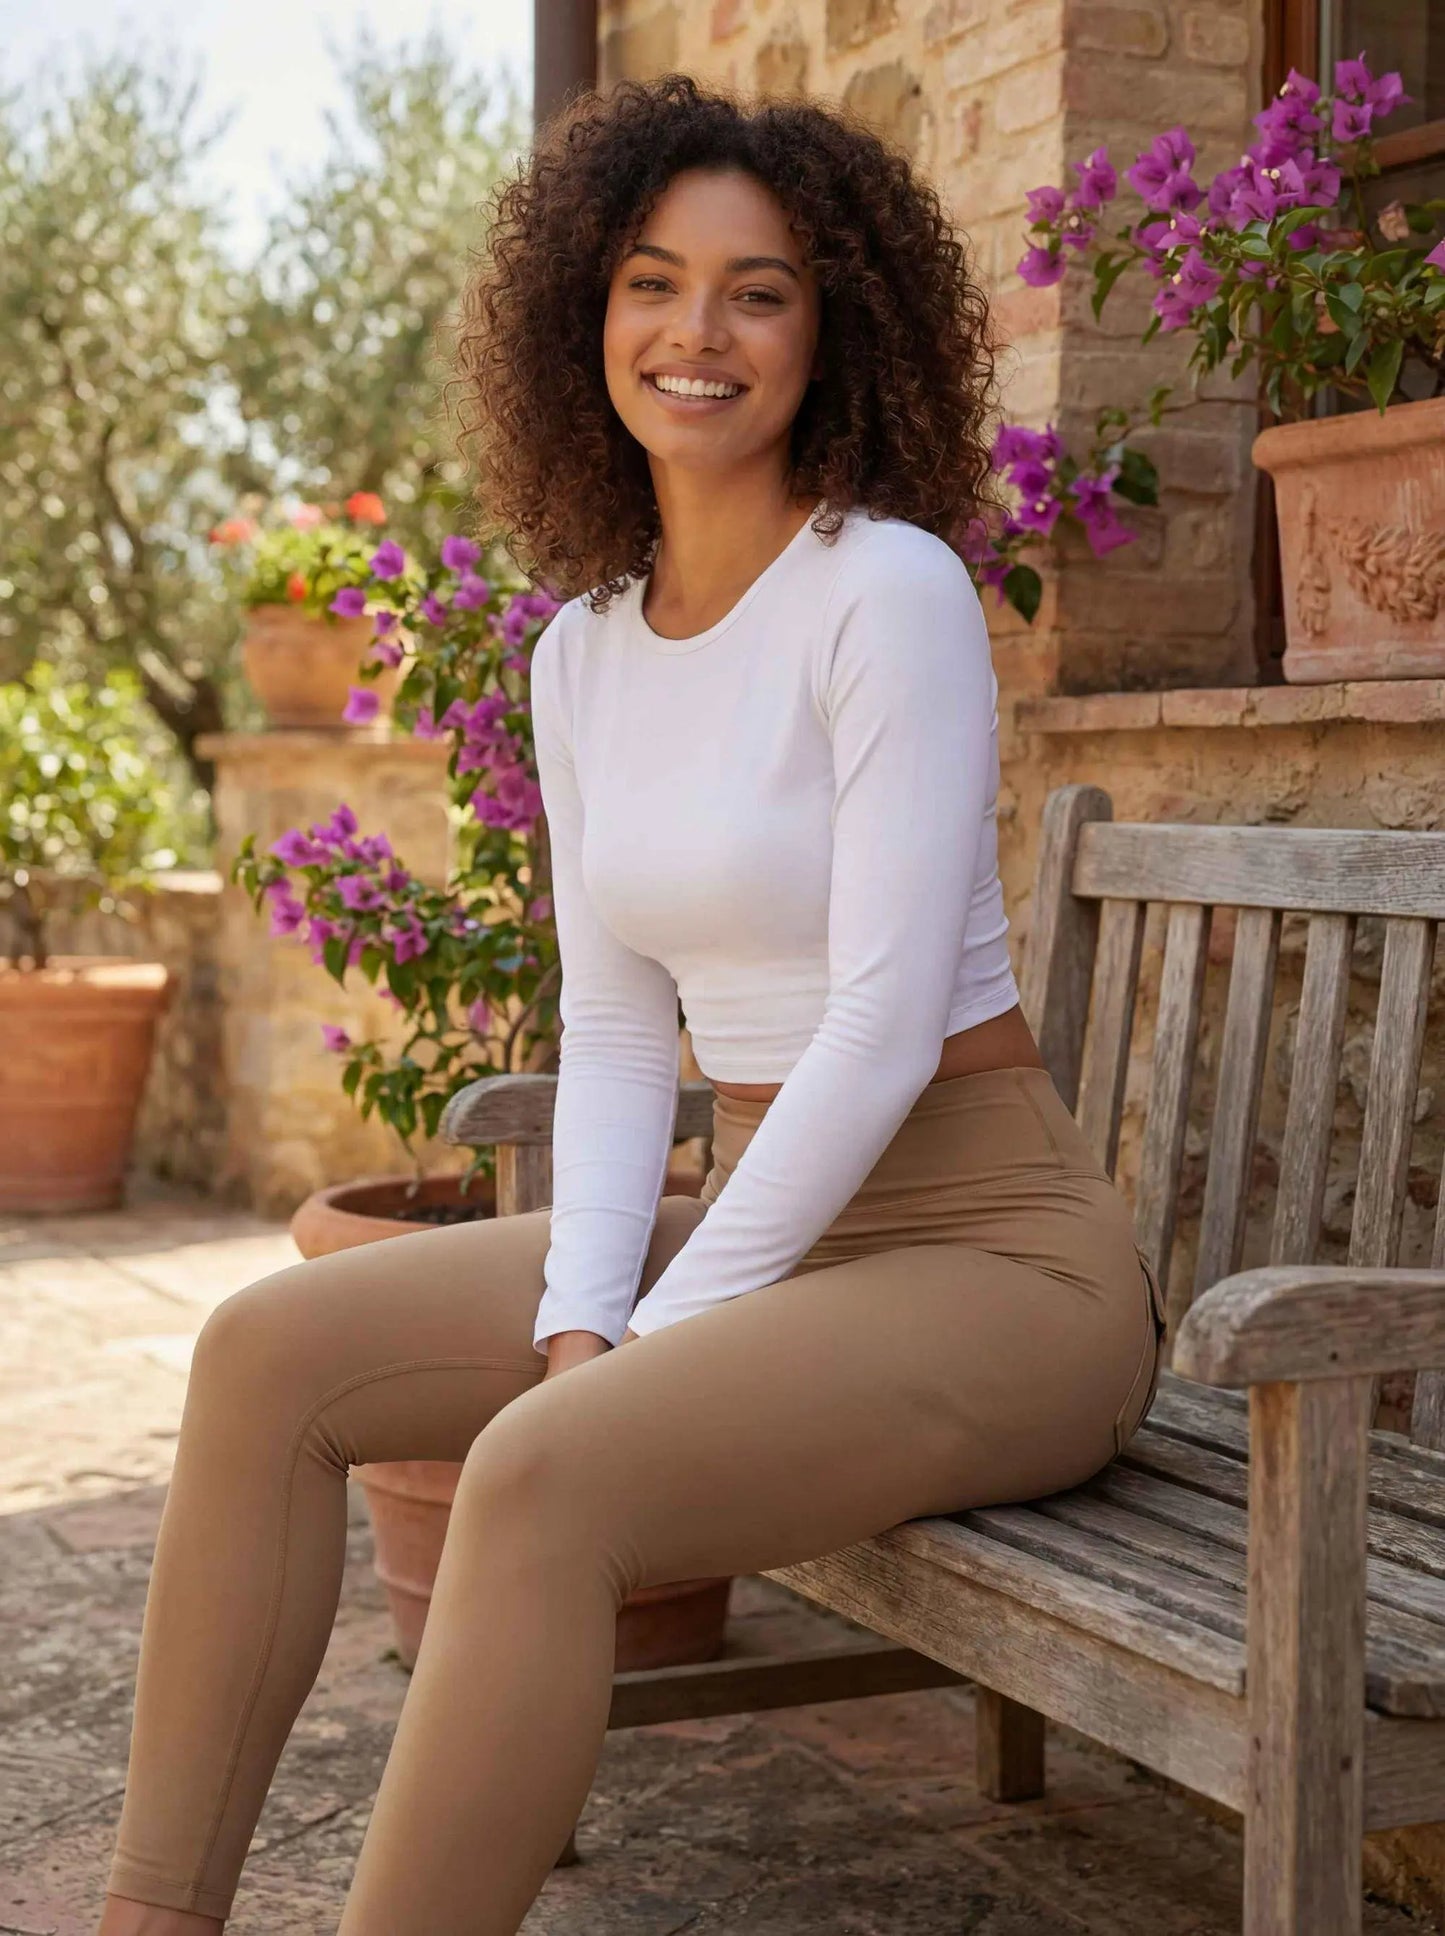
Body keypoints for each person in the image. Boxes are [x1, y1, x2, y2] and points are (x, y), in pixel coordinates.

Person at [97, 72, 1165, 1936]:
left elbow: (884, 1018)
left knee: (543, 1472)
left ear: (829, 328)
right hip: (776, 1230)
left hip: (999, 1264)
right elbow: (610, 1026)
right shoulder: (581, 651)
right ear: (583, 316)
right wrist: (593, 1305)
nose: (697, 332)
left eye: (757, 290)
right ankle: (147, 1915)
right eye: (653, 281)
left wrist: (659, 1331)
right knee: (264, 1360)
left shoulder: (883, 591)